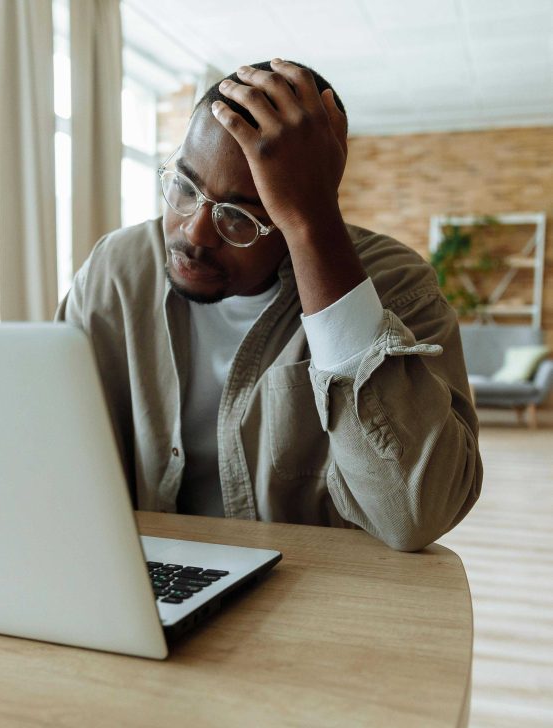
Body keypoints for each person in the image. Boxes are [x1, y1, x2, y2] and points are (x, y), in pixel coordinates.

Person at [56, 59, 482, 551]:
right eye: (184, 187)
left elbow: (417, 515)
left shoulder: (395, 286)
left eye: (239, 217)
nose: (194, 232)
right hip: (141, 573)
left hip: (315, 593)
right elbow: (48, 438)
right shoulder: (118, 269)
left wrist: (314, 228)